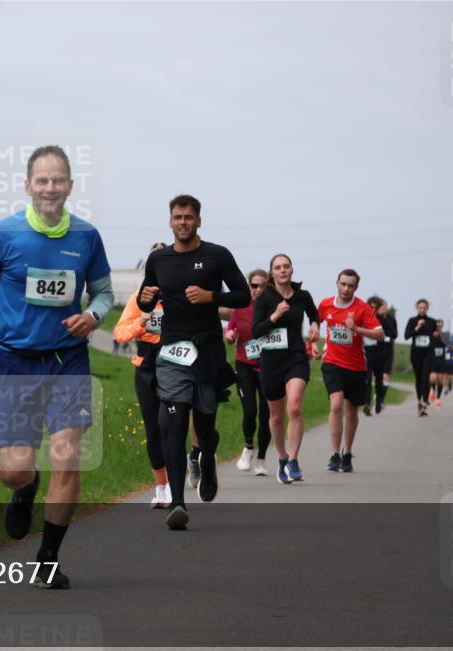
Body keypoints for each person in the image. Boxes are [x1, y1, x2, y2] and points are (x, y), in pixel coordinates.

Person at [0, 145, 113, 589]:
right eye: (41, 180)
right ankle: (26, 489)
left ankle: (48, 557)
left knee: (67, 457)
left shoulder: (86, 237)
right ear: (27, 186)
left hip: (67, 360)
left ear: (70, 186)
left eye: (58, 180)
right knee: (13, 470)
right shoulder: (2, 235)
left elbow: (103, 293)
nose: (50, 188)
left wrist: (94, 316)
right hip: (14, 362)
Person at [137, 194, 249, 530]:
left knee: (204, 425)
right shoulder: (159, 259)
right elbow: (146, 300)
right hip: (172, 351)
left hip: (209, 351)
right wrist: (145, 300)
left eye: (188, 217)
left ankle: (208, 462)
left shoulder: (216, 255)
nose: (183, 222)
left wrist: (211, 296)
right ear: (170, 221)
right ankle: (178, 503)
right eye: (177, 217)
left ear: (199, 221)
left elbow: (243, 295)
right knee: (172, 421)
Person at [114, 241, 198, 507]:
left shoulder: (182, 295)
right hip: (146, 368)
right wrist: (141, 321)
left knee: (170, 427)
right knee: (153, 430)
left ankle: (177, 483)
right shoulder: (136, 300)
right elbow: (120, 334)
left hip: (175, 367)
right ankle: (161, 486)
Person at [252, 253, 319, 484]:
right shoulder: (264, 298)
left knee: (295, 407)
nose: (283, 270)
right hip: (271, 362)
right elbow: (256, 331)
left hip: (296, 358)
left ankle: (293, 459)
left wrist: (314, 325)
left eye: (286, 266)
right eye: (278, 267)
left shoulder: (302, 296)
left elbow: (313, 312)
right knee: (276, 416)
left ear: (292, 270)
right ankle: (281, 457)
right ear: (272, 272)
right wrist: (275, 316)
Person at [318, 269, 384, 473]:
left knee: (351, 411)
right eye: (343, 284)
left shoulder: (362, 308)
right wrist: (312, 341)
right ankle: (335, 454)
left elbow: (380, 335)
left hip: (355, 366)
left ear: (356, 288)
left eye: (350, 286)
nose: (346, 289)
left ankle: (348, 453)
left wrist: (356, 329)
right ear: (337, 283)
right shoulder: (326, 304)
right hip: (332, 362)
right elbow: (315, 320)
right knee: (336, 404)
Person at [225, 269, 272, 476]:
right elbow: (230, 329)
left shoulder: (272, 307)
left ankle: (261, 460)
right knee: (250, 411)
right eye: (254, 285)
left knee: (266, 414)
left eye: (262, 285)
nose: (257, 290)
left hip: (269, 366)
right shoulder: (240, 306)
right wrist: (229, 335)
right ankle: (248, 447)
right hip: (244, 364)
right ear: (248, 286)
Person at [363, 296, 398, 415]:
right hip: (366, 353)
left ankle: (378, 400)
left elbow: (393, 333)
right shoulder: (362, 319)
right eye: (370, 307)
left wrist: (382, 335)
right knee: (367, 379)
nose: (372, 310)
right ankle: (367, 403)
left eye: (374, 308)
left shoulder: (382, 320)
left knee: (378, 380)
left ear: (377, 309)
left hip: (380, 354)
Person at [404, 299, 438, 417]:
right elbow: (406, 336)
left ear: (427, 308)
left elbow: (435, 336)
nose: (422, 309)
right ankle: (419, 400)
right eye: (420, 308)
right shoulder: (412, 321)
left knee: (425, 378)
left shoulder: (432, 321)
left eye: (424, 307)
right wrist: (417, 327)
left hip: (428, 353)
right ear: (417, 308)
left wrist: (436, 335)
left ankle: (424, 403)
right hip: (416, 354)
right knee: (418, 379)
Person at [429, 319, 449, 408]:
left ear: (442, 326)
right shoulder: (430, 335)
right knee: (433, 378)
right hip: (432, 360)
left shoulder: (445, 335)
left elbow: (448, 344)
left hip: (441, 360)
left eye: (440, 326)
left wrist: (441, 335)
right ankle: (432, 390)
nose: (438, 327)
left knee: (440, 379)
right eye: (437, 326)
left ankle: (438, 398)